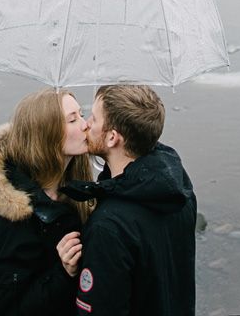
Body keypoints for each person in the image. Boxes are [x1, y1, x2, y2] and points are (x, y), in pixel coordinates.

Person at [62, 84, 197, 316]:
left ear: (113, 137)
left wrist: (67, 273)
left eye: (94, 118)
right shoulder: (180, 192)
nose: (86, 125)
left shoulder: (109, 227)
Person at [0, 89, 94, 315]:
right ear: (46, 135)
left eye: (81, 114)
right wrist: (63, 272)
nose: (85, 125)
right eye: (72, 119)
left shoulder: (79, 194)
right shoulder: (8, 223)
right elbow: (6, 311)